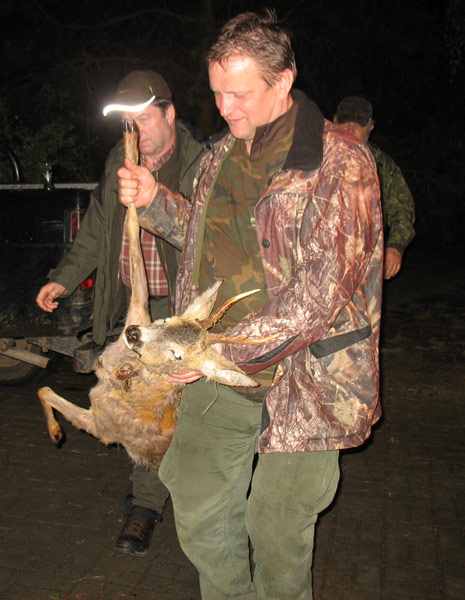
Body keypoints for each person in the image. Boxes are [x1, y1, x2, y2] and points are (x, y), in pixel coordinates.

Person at [117, 10, 382, 599]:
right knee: (198, 507)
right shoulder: (221, 154)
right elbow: (207, 238)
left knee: (277, 529)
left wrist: (209, 352)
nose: (225, 108)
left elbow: (318, 296)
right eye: (217, 93)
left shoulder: (341, 164)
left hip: (306, 378)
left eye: (239, 94)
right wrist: (157, 200)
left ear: (283, 81)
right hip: (218, 372)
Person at [35, 70, 205, 557]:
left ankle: (200, 510)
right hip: (133, 307)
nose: (135, 130)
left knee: (186, 417)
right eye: (127, 121)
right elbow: (95, 229)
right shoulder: (118, 160)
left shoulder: (201, 163)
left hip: (179, 311)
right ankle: (145, 508)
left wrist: (157, 197)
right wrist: (64, 277)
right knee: (140, 412)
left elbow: (212, 238)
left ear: (170, 114)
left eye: (145, 119)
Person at [334, 96, 415, 279]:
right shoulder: (314, 158)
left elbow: (402, 206)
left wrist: (395, 246)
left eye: (359, 124)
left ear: (370, 127)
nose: (351, 129)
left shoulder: (381, 164)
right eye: (345, 122)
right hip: (322, 262)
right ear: (334, 121)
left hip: (365, 263)